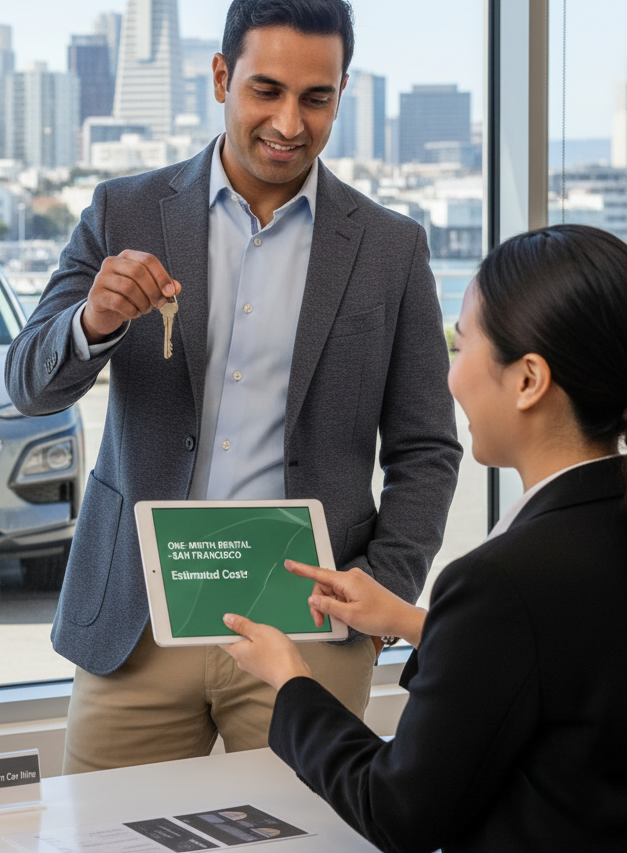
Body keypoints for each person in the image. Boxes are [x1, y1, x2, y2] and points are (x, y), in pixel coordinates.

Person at [4, 0, 461, 774]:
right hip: (138, 626)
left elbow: (427, 448)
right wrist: (94, 321)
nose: (290, 123)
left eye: (316, 98)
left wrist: (377, 589)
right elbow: (28, 383)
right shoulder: (125, 212)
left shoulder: (391, 249)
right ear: (221, 78)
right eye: (266, 91)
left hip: (305, 633)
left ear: (343, 93)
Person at [223, 223, 627, 851]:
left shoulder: (501, 581)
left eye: (462, 348)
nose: (450, 378)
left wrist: (292, 681)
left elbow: (397, 809)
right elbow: (566, 657)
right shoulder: (585, 536)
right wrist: (415, 622)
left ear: (528, 380)